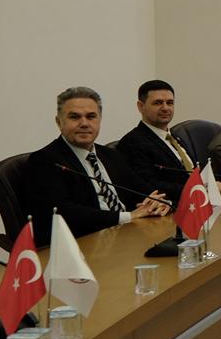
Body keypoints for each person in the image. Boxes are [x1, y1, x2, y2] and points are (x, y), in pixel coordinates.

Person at [22, 86, 168, 245]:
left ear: (99, 120)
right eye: (74, 117)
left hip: (127, 235)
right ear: (59, 122)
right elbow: (64, 212)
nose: (84, 123)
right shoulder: (45, 160)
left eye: (91, 116)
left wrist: (159, 202)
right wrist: (128, 216)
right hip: (85, 243)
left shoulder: (110, 155)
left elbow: (140, 189)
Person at [117, 79, 203, 197]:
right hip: (173, 205)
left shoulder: (176, 137)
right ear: (141, 106)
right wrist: (199, 189)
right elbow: (149, 186)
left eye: (170, 102)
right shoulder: (132, 142)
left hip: (199, 200)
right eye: (158, 103)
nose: (165, 108)